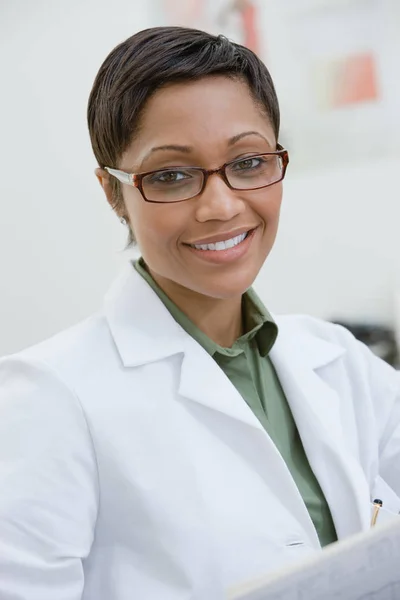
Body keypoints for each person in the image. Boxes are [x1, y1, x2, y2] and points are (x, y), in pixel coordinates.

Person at [0, 26, 399, 600]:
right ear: (114, 193)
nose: (221, 205)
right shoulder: (48, 396)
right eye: (170, 175)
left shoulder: (336, 358)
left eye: (249, 161)